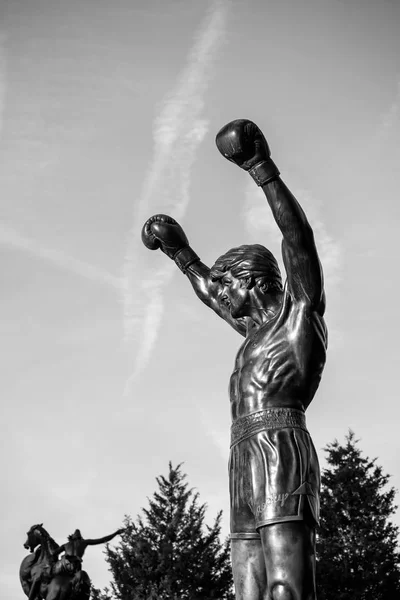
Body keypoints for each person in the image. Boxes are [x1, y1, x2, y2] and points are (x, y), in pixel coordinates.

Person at [141, 119, 327, 600]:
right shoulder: (250, 331)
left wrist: (260, 167)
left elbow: (298, 240)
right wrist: (180, 252)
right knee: (247, 588)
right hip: (242, 456)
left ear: (252, 280)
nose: (220, 293)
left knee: (286, 586)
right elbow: (206, 290)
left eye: (227, 283)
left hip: (280, 445)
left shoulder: (297, 315)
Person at [52, 528, 125, 575]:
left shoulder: (66, 545)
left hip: (64, 564)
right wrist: (116, 533)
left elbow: (54, 553)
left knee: (49, 572)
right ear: (80, 537)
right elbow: (102, 540)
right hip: (75, 566)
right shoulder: (84, 542)